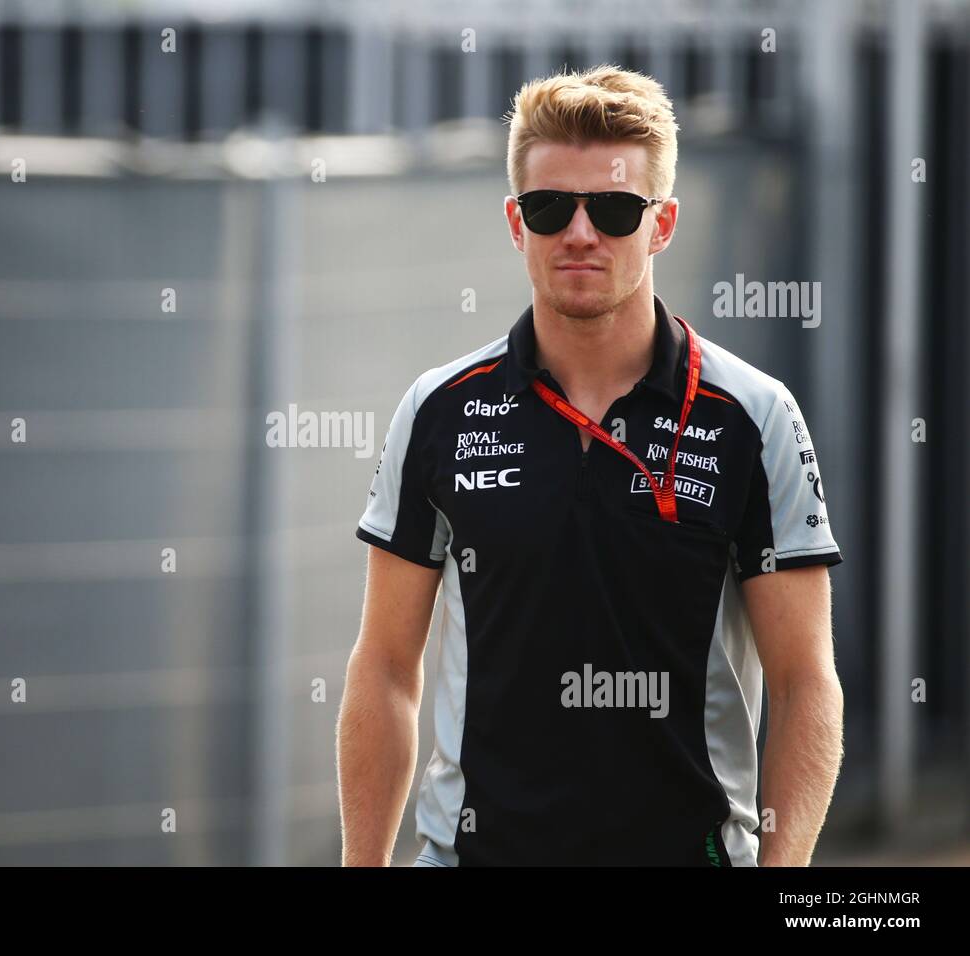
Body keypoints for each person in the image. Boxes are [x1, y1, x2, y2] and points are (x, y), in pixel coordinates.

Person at [336, 65, 844, 866]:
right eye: (549, 208)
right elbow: (385, 668)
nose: (579, 233)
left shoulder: (755, 414)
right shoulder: (438, 411)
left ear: (662, 223)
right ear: (515, 222)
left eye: (612, 209)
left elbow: (805, 682)